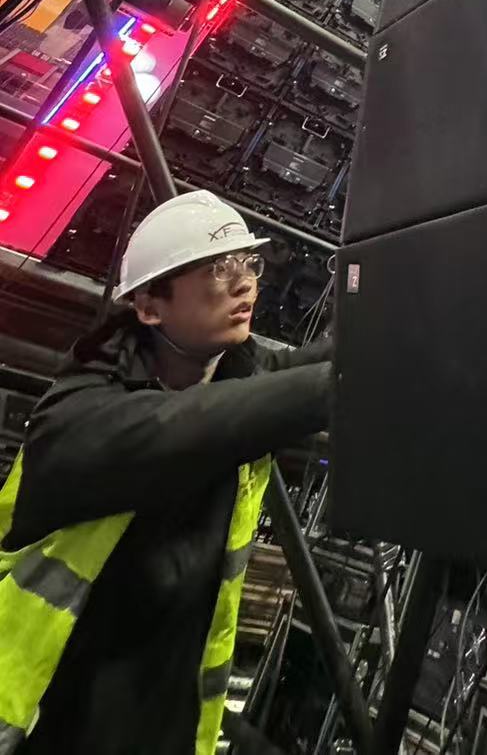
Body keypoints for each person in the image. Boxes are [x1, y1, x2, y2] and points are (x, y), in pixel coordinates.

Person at [0, 189, 332, 755]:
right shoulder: (77, 415)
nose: (245, 284)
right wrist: (335, 387)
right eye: (217, 270)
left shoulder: (240, 376)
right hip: (52, 717)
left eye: (247, 263)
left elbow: (318, 363)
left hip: (167, 720)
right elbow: (182, 426)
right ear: (150, 306)